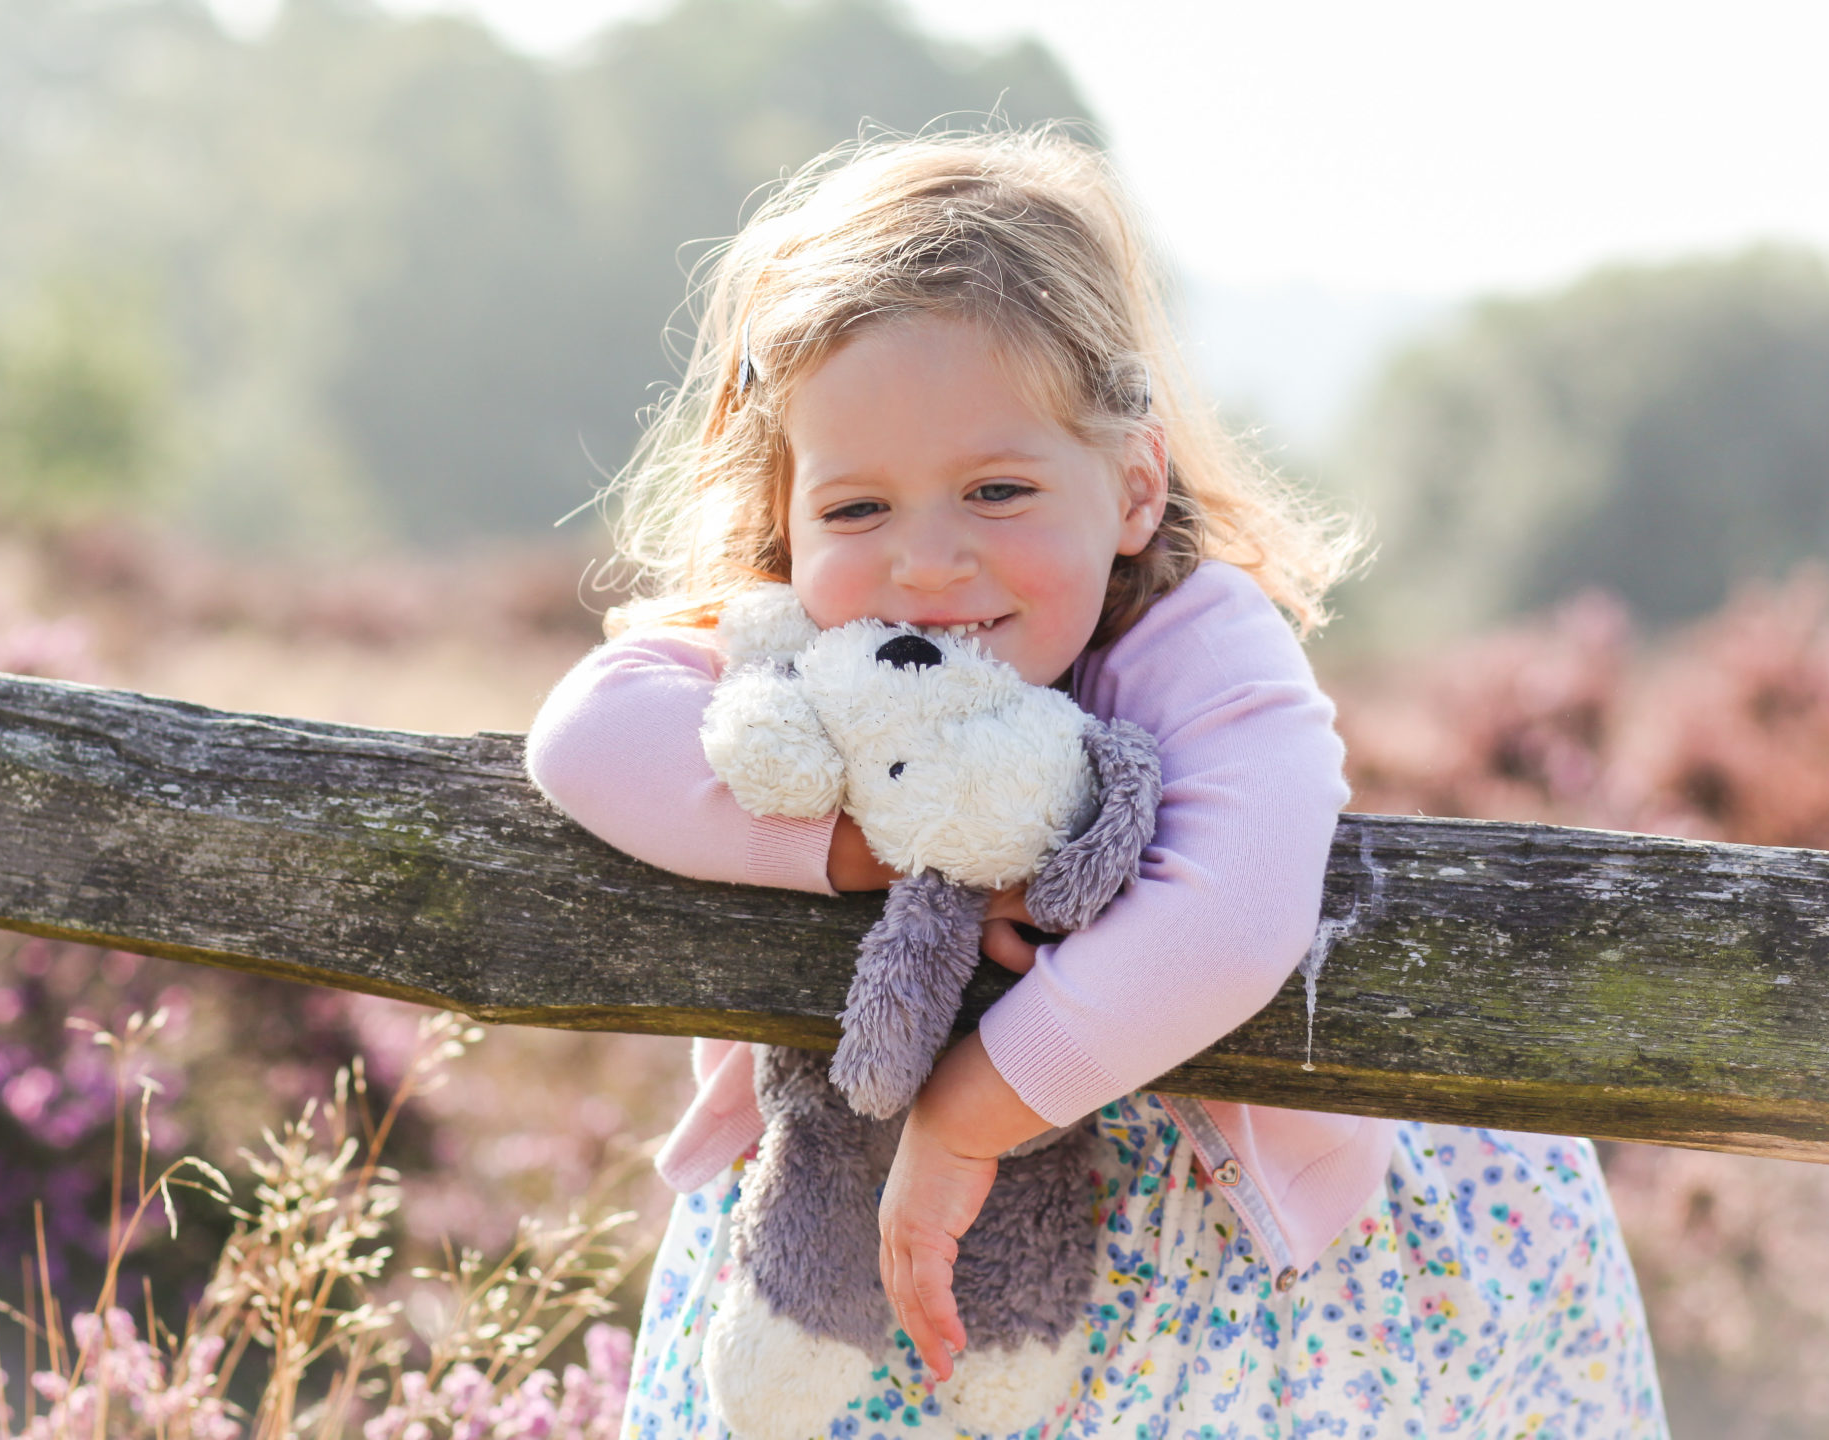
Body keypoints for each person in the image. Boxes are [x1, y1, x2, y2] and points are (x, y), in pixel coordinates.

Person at [526, 129, 1667, 1440]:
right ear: (787, 512)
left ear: (1133, 484)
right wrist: (876, 841)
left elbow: (1234, 913)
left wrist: (969, 1119)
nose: (928, 565)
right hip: (855, 1253)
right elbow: (586, 736)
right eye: (856, 511)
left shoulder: (1195, 637)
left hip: (1203, 1269)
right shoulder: (804, 654)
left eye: (997, 490)